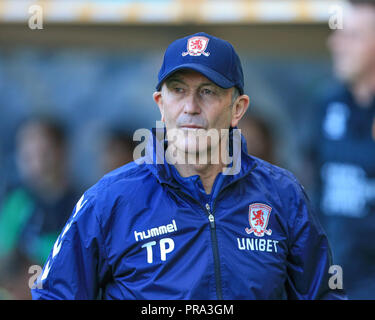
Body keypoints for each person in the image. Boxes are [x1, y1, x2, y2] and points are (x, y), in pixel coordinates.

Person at [31, 32, 346, 300]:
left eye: (208, 91)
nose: (190, 107)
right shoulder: (109, 200)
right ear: (161, 103)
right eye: (178, 90)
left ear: (238, 108)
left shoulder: (283, 195)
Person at [311, 0, 375, 299]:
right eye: (338, 34)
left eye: (352, 36)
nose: (336, 44)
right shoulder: (328, 105)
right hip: (336, 282)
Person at [0, 117, 79, 299]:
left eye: (43, 152)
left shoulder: (86, 203)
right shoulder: (17, 203)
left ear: (62, 151)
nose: (36, 162)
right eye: (27, 154)